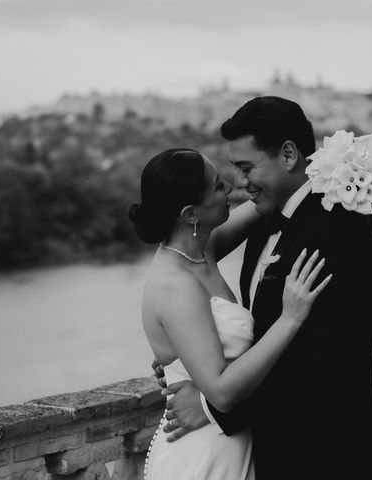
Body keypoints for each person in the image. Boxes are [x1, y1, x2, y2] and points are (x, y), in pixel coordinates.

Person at [156, 96, 372, 479]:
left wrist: (213, 406)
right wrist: (186, 359)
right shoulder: (264, 221)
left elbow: (321, 361)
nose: (240, 183)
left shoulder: (341, 231)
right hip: (267, 454)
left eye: (247, 167)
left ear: (289, 155)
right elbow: (259, 330)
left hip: (327, 455)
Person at [128, 147, 332, 479]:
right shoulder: (174, 285)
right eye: (218, 185)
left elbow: (270, 197)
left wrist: (331, 164)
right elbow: (221, 392)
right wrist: (289, 319)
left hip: (234, 443)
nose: (232, 188)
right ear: (191, 214)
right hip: (203, 455)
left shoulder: (201, 249)